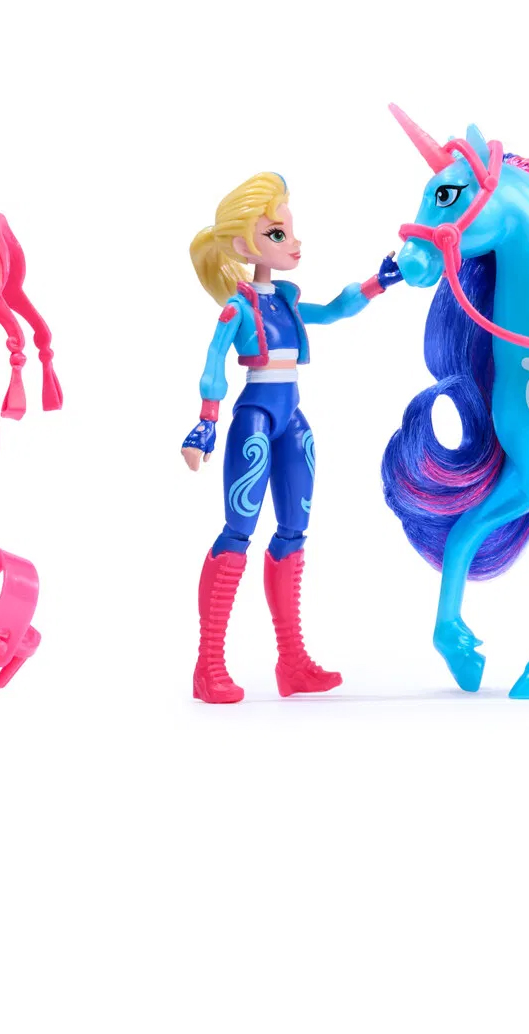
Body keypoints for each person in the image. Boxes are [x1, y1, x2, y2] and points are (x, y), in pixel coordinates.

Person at [183, 172, 402, 702]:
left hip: (291, 420)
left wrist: (378, 283)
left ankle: (292, 661)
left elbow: (335, 310)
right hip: (255, 417)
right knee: (238, 531)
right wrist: (206, 421)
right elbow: (214, 364)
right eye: (277, 234)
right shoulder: (238, 309)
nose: (293, 242)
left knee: (293, 531)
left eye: (288, 231)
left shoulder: (285, 300)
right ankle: (208, 664)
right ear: (243, 246)